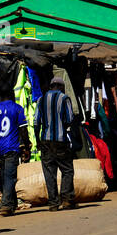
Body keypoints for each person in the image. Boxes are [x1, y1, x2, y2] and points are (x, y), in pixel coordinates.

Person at [36, 78, 76, 210]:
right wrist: (63, 126)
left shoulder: (41, 100)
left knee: (49, 172)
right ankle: (67, 199)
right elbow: (70, 119)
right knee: (67, 170)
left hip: (45, 141)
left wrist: (38, 140)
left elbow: (36, 122)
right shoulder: (65, 98)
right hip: (60, 141)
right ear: (60, 86)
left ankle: (53, 203)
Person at [0, 97, 30, 216]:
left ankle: (12, 205)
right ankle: (5, 205)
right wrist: (27, 147)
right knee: (10, 177)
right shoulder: (17, 108)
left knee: (6, 178)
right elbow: (23, 129)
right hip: (11, 148)